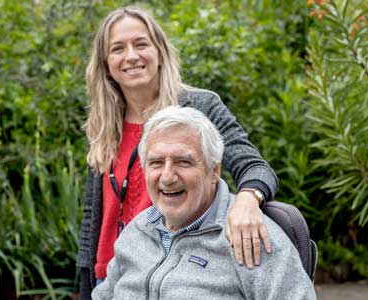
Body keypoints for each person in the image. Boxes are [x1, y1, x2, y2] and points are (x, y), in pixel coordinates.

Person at [79, 6, 279, 299]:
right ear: (106, 64)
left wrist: (249, 199)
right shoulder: (105, 124)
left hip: (174, 277)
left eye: (141, 44)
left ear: (159, 51)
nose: (131, 56)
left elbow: (256, 169)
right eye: (118, 48)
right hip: (110, 277)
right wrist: (87, 279)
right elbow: (92, 215)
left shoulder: (199, 107)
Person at [92, 106, 316, 300]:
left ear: (214, 171)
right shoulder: (136, 232)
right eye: (156, 162)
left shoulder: (250, 237)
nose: (167, 176)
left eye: (184, 161)